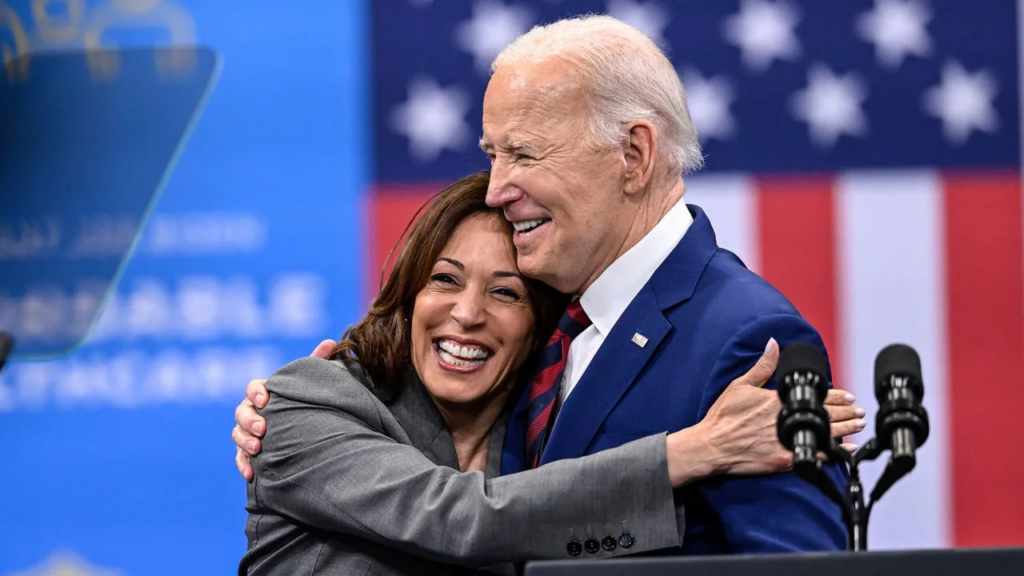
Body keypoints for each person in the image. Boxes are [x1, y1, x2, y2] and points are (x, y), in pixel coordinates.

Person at [237, 13, 865, 559]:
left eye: (525, 155)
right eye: (492, 155)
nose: (496, 188)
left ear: (634, 155)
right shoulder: (551, 328)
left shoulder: (745, 337)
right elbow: (468, 507)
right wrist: (313, 402)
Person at [236, 172, 860, 574]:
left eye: (505, 294)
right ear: (406, 295)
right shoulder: (302, 405)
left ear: (541, 327)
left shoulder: (535, 435)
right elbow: (465, 517)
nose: (467, 314)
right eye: (444, 280)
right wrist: (698, 450)